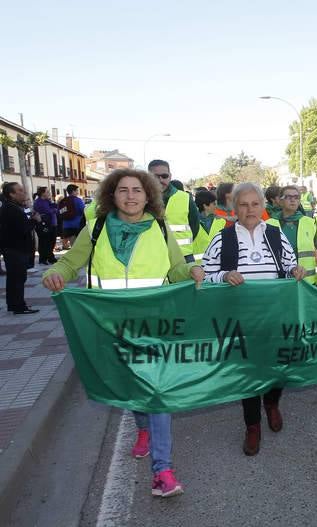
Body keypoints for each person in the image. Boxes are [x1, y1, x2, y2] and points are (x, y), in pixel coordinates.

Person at [42, 168, 205, 497]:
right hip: (110, 325)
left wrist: (191, 269)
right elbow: (71, 262)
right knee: (131, 387)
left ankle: (163, 470)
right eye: (123, 190)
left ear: (148, 195)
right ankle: (142, 427)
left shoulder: (159, 227)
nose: (131, 196)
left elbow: (176, 268)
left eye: (137, 190)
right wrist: (55, 272)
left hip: (155, 326)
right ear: (111, 196)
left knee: (157, 392)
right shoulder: (98, 228)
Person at [202, 182, 304, 455]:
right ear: (234, 207)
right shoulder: (221, 238)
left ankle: (271, 403)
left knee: (277, 367)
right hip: (240, 319)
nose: (250, 209)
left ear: (262, 206)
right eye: (244, 204)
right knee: (247, 374)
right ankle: (252, 426)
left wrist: (295, 269)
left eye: (255, 204)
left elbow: (289, 262)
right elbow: (205, 275)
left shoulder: (275, 234)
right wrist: (223, 276)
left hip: (275, 315)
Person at [267, 185, 317, 284]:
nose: (293, 200)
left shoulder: (310, 222)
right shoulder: (269, 224)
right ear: (280, 201)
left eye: (296, 197)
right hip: (280, 281)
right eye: (288, 197)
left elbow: (316, 247)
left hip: (306, 281)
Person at [148, 160, 200, 263]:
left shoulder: (184, 198)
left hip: (183, 256)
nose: (160, 180)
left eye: (164, 176)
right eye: (155, 176)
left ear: (170, 176)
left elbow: (195, 226)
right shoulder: (141, 199)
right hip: (152, 255)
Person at [0, 182, 41, 314]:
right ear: (11, 194)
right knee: (17, 278)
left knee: (15, 278)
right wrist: (35, 220)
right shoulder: (10, 209)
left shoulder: (14, 207)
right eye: (20, 190)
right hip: (15, 249)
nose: (23, 192)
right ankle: (18, 306)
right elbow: (22, 229)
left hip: (14, 249)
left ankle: (14, 304)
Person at [192, 190, 226, 263]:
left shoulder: (222, 221)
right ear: (205, 206)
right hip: (198, 267)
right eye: (214, 204)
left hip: (217, 266)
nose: (216, 206)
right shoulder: (192, 222)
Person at [33, 187, 58, 265]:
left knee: (52, 241)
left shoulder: (47, 201)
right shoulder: (39, 202)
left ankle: (50, 257)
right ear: (43, 193)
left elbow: (55, 207)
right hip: (44, 224)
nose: (49, 193)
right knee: (45, 242)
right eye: (47, 192)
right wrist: (53, 210)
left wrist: (51, 202)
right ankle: (45, 258)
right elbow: (48, 211)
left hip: (52, 223)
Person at [58, 184, 85, 249]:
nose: (77, 192)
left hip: (66, 226)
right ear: (73, 191)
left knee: (73, 246)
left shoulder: (63, 201)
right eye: (76, 191)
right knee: (78, 246)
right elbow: (83, 210)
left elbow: (60, 212)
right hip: (77, 226)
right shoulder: (78, 200)